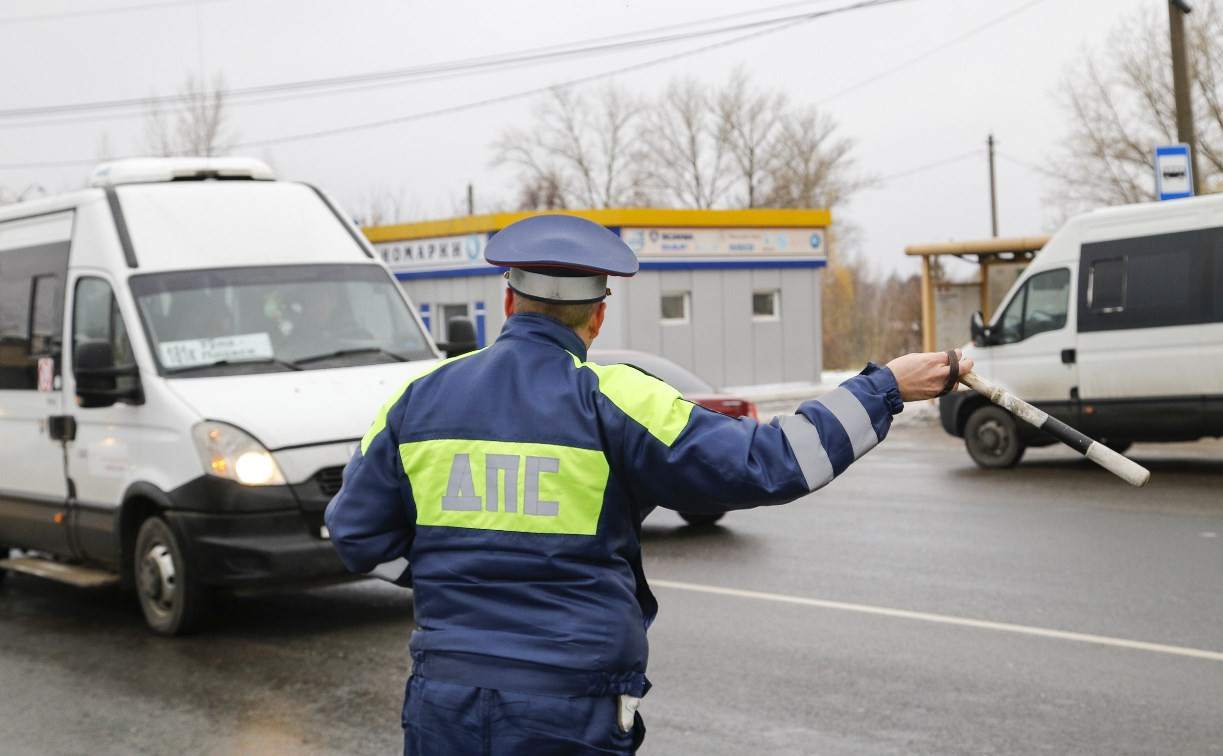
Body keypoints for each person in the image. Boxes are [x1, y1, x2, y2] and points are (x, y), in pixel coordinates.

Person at [324, 213, 972, 755]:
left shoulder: (417, 399)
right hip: (567, 709)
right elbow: (775, 460)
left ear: (507, 300)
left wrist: (454, 566)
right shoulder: (615, 397)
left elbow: (353, 536)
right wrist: (885, 388)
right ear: (596, 318)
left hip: (444, 705)